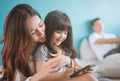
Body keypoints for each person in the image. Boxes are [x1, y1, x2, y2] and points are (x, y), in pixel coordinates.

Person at [0, 4, 62, 81]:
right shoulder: (18, 61)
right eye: (33, 32)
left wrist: (69, 61)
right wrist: (38, 75)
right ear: (22, 37)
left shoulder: (49, 40)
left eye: (41, 25)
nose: (41, 33)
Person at [34, 10, 98, 81]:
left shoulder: (66, 48)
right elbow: (41, 77)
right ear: (49, 30)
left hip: (67, 78)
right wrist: (63, 75)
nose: (62, 36)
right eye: (58, 32)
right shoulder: (43, 49)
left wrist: (84, 70)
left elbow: (77, 66)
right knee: (89, 78)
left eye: (65, 33)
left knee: (91, 76)